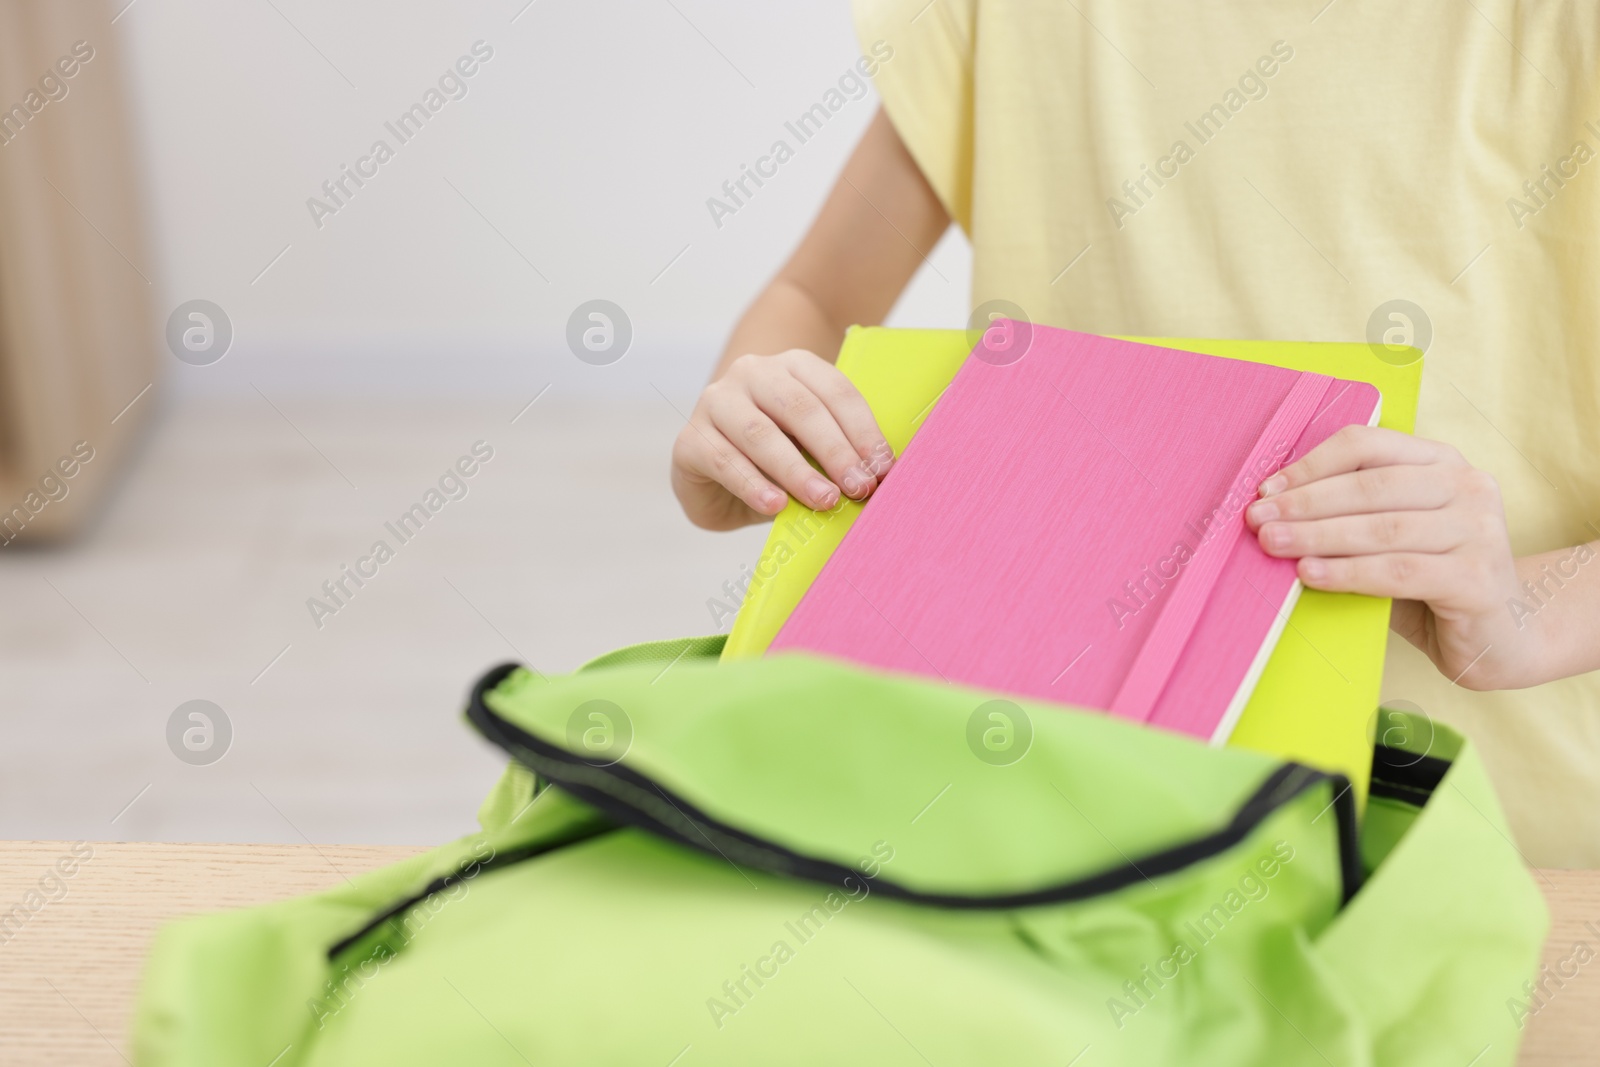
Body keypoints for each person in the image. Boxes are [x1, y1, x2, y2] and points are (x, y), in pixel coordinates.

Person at [670, 1, 1600, 867]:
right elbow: (818, 296)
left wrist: (1533, 618)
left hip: (1503, 849)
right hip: (1043, 816)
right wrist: (753, 419)